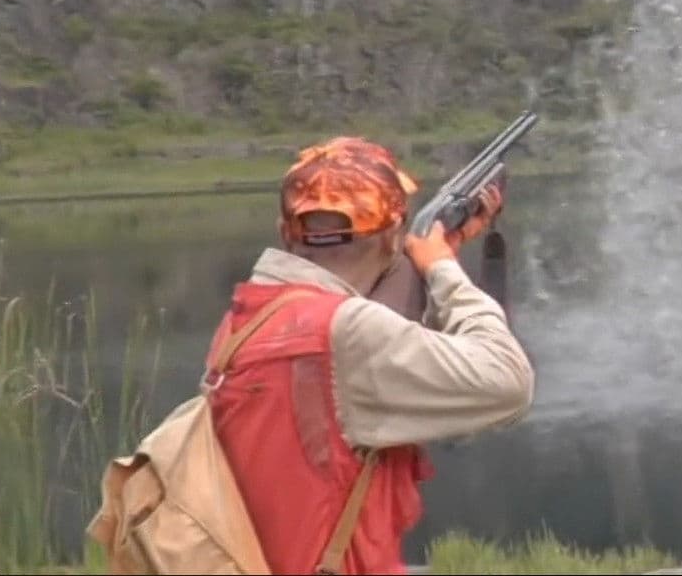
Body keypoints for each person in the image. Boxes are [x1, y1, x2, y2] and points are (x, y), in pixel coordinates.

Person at [206, 135, 537, 576]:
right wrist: (442, 268)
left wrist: (433, 260)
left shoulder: (246, 321)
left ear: (286, 232)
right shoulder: (347, 332)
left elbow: (373, 350)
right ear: (394, 236)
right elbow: (508, 382)